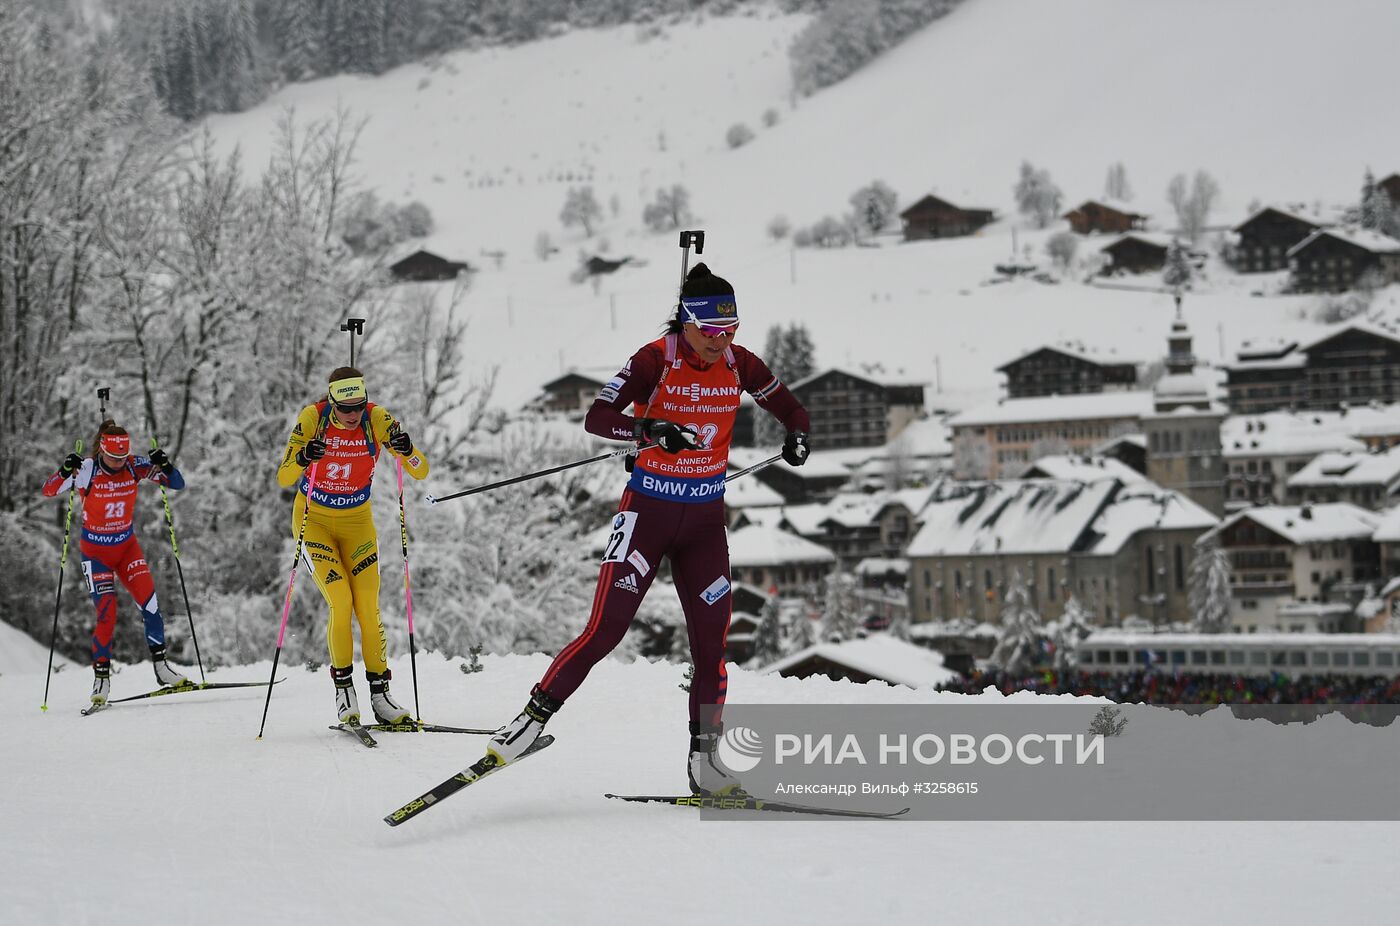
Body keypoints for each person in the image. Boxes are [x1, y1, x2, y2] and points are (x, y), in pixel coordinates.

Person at [485, 262, 811, 795]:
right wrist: (648, 429)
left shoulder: (738, 362)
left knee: (711, 644)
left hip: (704, 524)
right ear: (686, 322)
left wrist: (798, 434)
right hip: (646, 516)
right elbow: (597, 417)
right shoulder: (655, 359)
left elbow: (791, 407)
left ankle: (705, 763)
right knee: (605, 631)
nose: (720, 342)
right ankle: (526, 725)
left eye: (730, 331)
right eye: (710, 332)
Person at [277, 366, 429, 725]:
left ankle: (381, 695)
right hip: (312, 520)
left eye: (358, 406)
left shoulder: (376, 419)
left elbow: (421, 470)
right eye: (345, 409)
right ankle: (344, 691)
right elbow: (284, 476)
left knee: (368, 606)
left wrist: (408, 450)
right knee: (340, 601)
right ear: (331, 402)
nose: (352, 415)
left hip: (357, 523)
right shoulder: (312, 418)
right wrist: (303, 458)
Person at [42, 421, 189, 706]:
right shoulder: (87, 470)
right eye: (114, 458)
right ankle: (101, 679)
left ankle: (162, 668)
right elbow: (49, 490)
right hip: (96, 555)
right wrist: (64, 470)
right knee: (107, 612)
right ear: (102, 452)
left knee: (151, 603)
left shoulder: (134, 466)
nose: (119, 463)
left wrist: (166, 466)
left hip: (126, 549)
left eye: (123, 457)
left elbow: (178, 483)